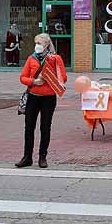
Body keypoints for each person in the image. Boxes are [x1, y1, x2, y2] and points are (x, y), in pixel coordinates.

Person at [16, 33, 67, 169]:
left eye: (39, 43)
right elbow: (22, 77)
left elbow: (63, 78)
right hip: (33, 97)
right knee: (29, 128)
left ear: (46, 45)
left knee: (45, 127)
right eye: (36, 43)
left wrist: (50, 78)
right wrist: (34, 81)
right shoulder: (31, 58)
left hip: (48, 98)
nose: (37, 46)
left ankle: (42, 157)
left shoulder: (55, 59)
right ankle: (27, 157)